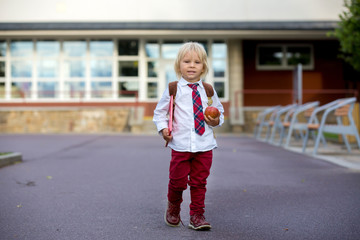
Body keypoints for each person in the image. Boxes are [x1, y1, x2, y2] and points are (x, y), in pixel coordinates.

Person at [153, 42, 224, 230]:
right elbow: (159, 113)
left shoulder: (208, 90)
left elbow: (220, 112)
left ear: (204, 67)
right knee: (177, 181)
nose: (192, 65)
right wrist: (163, 129)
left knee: (199, 182)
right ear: (179, 65)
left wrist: (215, 121)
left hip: (204, 144)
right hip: (180, 145)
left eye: (197, 62)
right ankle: (174, 207)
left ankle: (197, 216)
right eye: (187, 61)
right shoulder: (173, 89)